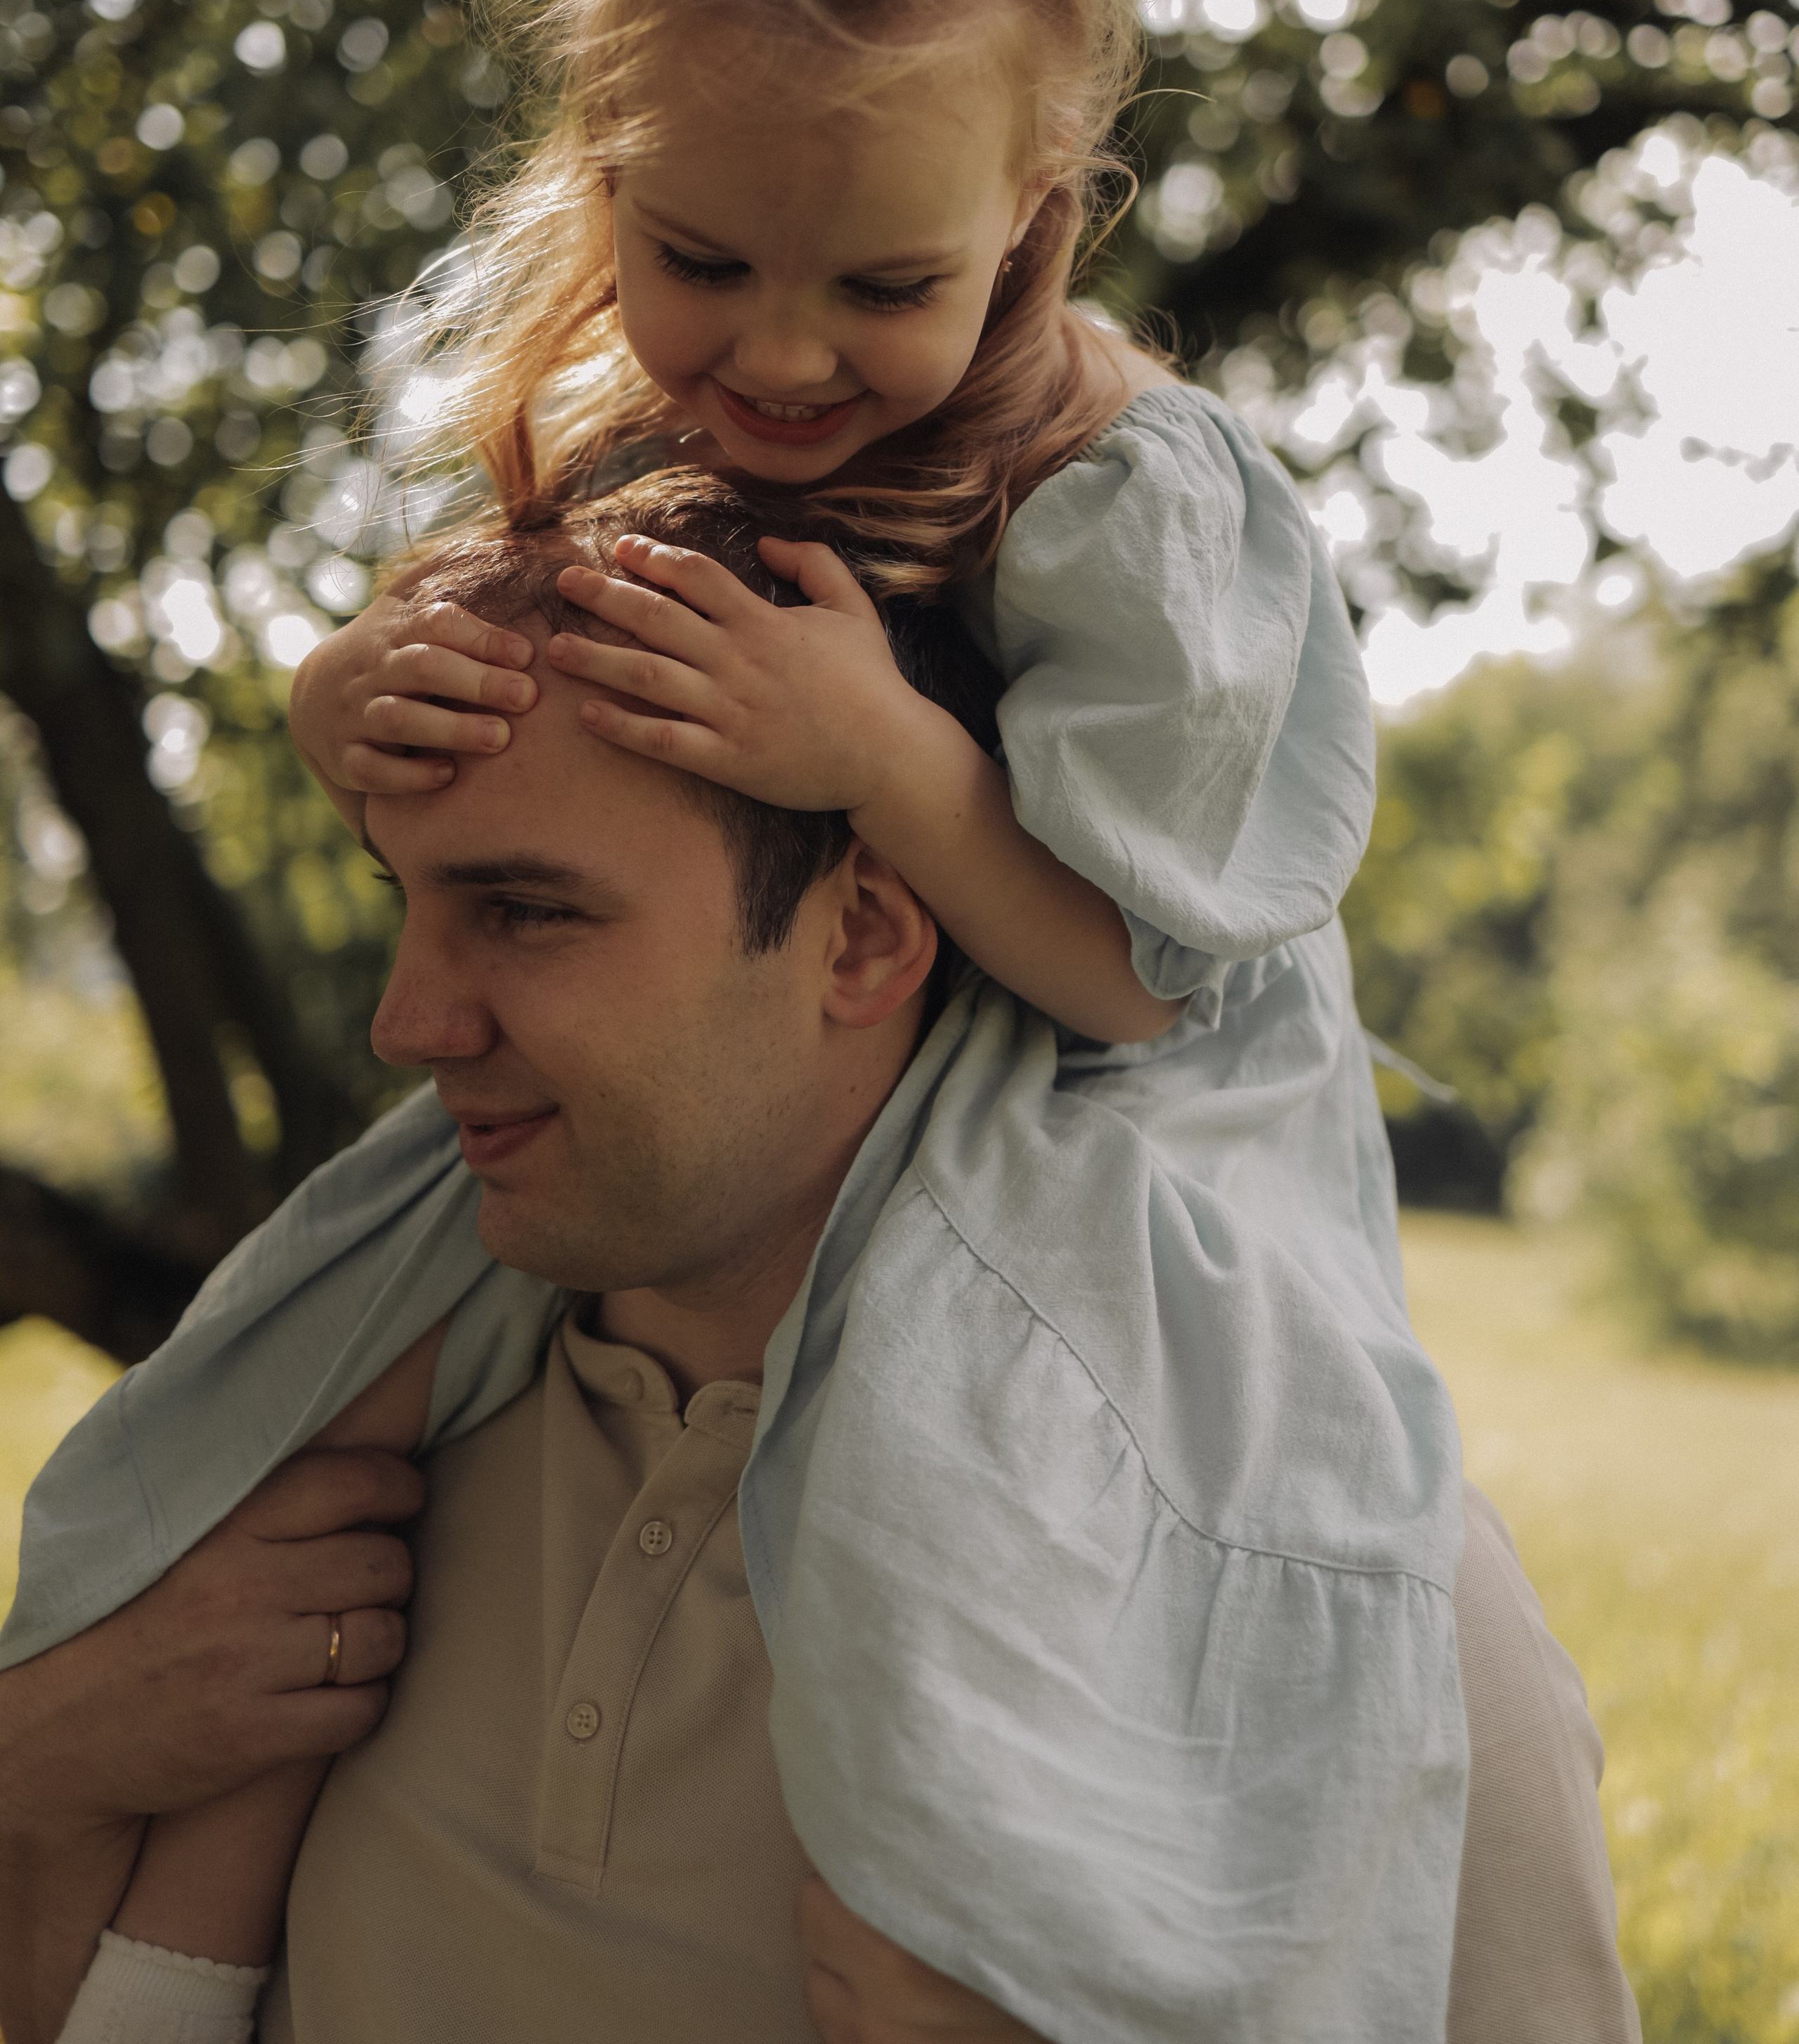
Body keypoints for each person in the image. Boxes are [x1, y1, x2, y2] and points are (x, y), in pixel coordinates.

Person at [4, 488, 1638, 2044]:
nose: (406, 1023)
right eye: (412, 906)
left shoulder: (1305, 1610)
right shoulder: (309, 1490)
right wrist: (43, 1770)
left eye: (526, 911)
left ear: (861, 937)